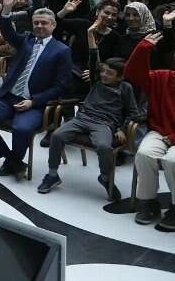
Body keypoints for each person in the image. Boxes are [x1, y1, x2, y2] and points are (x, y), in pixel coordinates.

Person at [0, 0, 73, 180]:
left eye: (44, 23)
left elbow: (61, 86)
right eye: (36, 23)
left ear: (53, 25)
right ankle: (12, 160)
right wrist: (6, 9)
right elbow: (7, 32)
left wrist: (33, 102)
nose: (39, 26)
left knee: (22, 129)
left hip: (33, 103)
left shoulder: (62, 50)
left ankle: (13, 161)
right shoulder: (26, 39)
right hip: (8, 97)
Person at [37, 47, 139, 200]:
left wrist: (122, 129)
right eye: (103, 71)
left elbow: (133, 112)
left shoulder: (126, 88)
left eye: (109, 73)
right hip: (82, 119)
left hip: (104, 124)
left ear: (120, 77)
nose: (104, 75)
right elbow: (93, 60)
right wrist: (91, 38)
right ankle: (52, 175)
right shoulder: (96, 81)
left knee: (104, 147)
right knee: (57, 135)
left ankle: (105, 178)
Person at [125, 31, 175, 230]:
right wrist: (143, 48)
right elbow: (132, 74)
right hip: (160, 131)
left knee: (172, 161)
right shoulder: (164, 77)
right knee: (144, 154)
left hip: (171, 136)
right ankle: (148, 202)